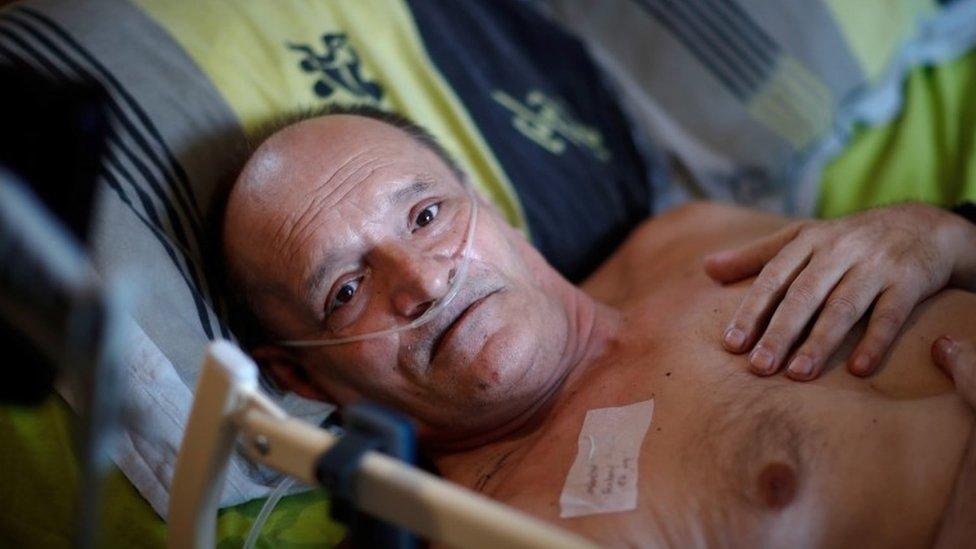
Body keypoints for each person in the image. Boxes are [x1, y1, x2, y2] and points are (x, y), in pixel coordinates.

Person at [220, 110, 976, 546]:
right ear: (304, 378)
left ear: (489, 203)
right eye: (348, 290)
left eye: (426, 215)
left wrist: (942, 233)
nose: (425, 281)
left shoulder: (690, 239)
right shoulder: (510, 533)